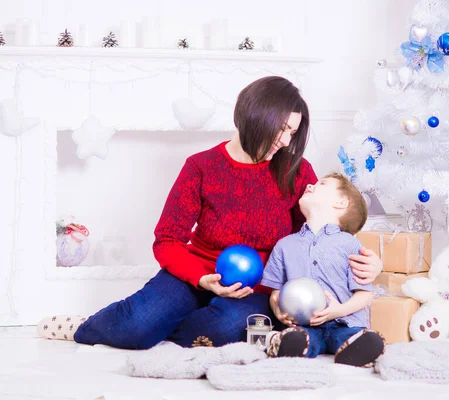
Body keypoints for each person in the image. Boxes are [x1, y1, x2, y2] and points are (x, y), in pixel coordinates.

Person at [36, 76, 383, 349]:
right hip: (196, 273)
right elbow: (167, 240)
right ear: (255, 117)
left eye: (293, 133)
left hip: (257, 289)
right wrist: (202, 279)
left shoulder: (295, 169)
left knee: (225, 327)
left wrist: (371, 264)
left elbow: (321, 234)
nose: (285, 141)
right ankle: (87, 326)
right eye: (281, 129)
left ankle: (163, 330)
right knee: (137, 325)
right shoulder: (201, 167)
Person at [262, 173, 385, 367]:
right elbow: (276, 291)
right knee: (300, 337)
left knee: (353, 335)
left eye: (322, 184)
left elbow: (364, 294)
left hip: (344, 321)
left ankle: (359, 347)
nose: (310, 184)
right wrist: (278, 309)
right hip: (304, 323)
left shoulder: (350, 245)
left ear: (341, 203)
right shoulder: (285, 245)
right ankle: (294, 345)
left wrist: (338, 310)